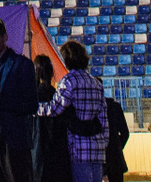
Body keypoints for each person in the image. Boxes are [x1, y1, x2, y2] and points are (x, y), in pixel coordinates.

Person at [0, 15, 38, 182]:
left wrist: (1, 99)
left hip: (14, 142)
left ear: (5, 37)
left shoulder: (23, 65)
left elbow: (32, 105)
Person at [43, 41, 107, 182]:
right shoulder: (96, 83)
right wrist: (104, 143)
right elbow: (103, 119)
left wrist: (37, 108)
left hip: (79, 146)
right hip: (97, 147)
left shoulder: (68, 81)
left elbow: (55, 109)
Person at [34, 55, 73, 182]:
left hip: (38, 155)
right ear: (51, 73)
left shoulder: (32, 99)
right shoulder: (59, 97)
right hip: (59, 154)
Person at [105, 94, 130, 182]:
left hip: (94, 159)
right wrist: (117, 147)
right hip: (115, 158)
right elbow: (125, 133)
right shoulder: (114, 106)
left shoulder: (89, 107)